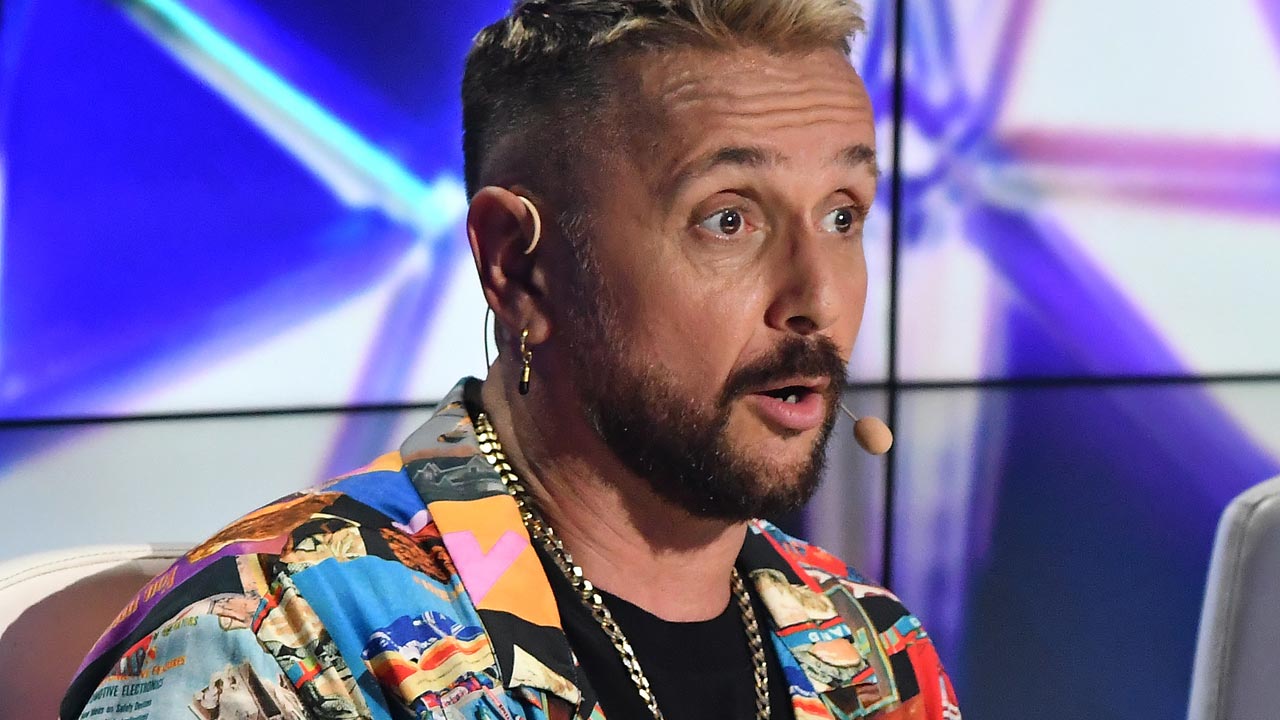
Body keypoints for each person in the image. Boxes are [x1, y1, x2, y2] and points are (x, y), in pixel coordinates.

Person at [63, 2, 961, 719]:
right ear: (518, 265)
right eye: (728, 219)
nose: (818, 297)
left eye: (842, 214)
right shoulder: (279, 639)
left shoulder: (876, 650)